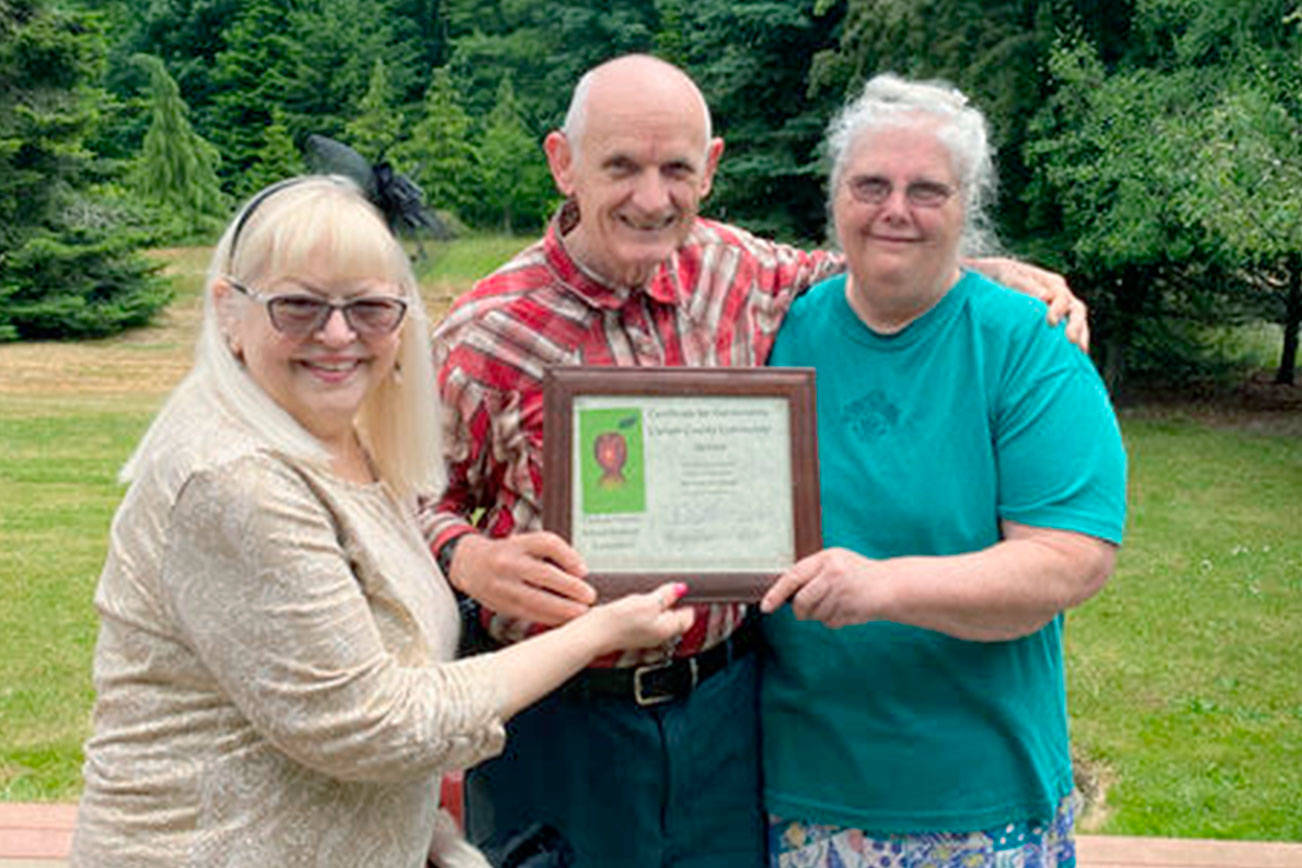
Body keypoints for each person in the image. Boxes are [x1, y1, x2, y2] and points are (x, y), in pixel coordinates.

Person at [420, 54, 1088, 867]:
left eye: (676, 169)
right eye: (621, 166)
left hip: (727, 716)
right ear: (564, 161)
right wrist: (469, 556)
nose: (651, 197)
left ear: (711, 170)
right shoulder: (485, 330)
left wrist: (998, 273)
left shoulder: (742, 270)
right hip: (562, 717)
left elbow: (879, 255)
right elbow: (400, 497)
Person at [69, 175, 694, 867]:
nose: (338, 336)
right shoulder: (233, 479)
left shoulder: (342, 443)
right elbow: (374, 723)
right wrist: (599, 630)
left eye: (369, 308)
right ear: (229, 313)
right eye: (298, 306)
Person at [758, 74, 1127, 868]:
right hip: (799, 792)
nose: (896, 209)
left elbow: (1071, 559)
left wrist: (879, 588)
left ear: (968, 204)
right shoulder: (776, 329)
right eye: (871, 185)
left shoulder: (1030, 347)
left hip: (978, 800)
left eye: (928, 189)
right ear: (835, 197)